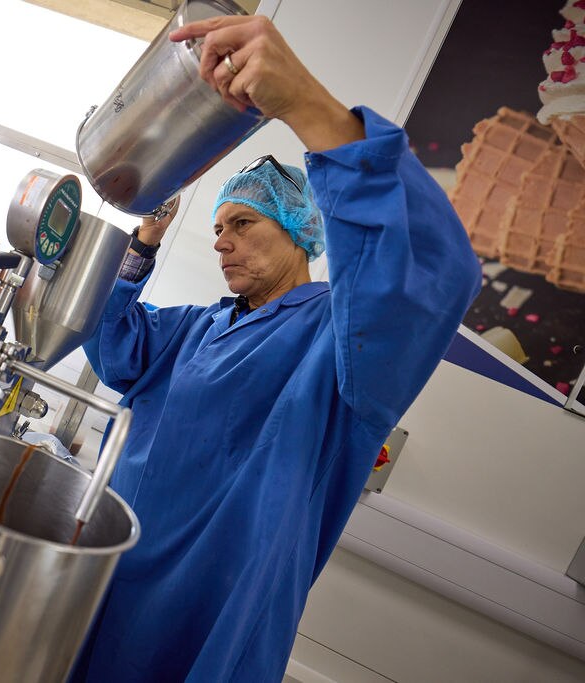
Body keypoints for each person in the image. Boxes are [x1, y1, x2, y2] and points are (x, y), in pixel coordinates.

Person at [69, 15, 481, 683]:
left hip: (207, 619)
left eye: (242, 223)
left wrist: (309, 107)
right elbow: (115, 350)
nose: (221, 240)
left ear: (298, 230)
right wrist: (141, 245)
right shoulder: (201, 327)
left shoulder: (336, 339)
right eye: (216, 227)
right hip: (111, 582)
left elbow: (432, 275)